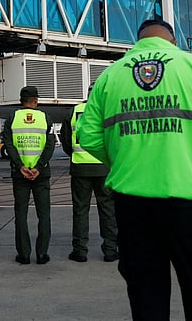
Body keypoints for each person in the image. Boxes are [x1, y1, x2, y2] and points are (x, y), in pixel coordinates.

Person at [78, 19, 192, 320]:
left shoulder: (110, 75)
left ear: (137, 42)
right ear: (172, 41)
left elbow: (87, 136)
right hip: (189, 198)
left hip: (133, 203)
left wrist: (124, 158)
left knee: (145, 295)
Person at [61, 84, 119, 263]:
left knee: (80, 209)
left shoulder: (74, 111)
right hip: (104, 168)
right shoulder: (107, 109)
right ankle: (110, 249)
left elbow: (65, 138)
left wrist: (74, 154)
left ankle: (79, 250)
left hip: (80, 167)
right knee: (108, 209)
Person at [1, 85, 55, 264]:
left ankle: (24, 255)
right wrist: (39, 166)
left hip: (20, 174)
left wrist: (20, 165)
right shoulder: (45, 117)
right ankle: (42, 254)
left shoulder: (12, 117)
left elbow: (8, 142)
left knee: (21, 214)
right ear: (36, 100)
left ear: (21, 101)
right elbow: (50, 144)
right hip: (41, 173)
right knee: (44, 214)